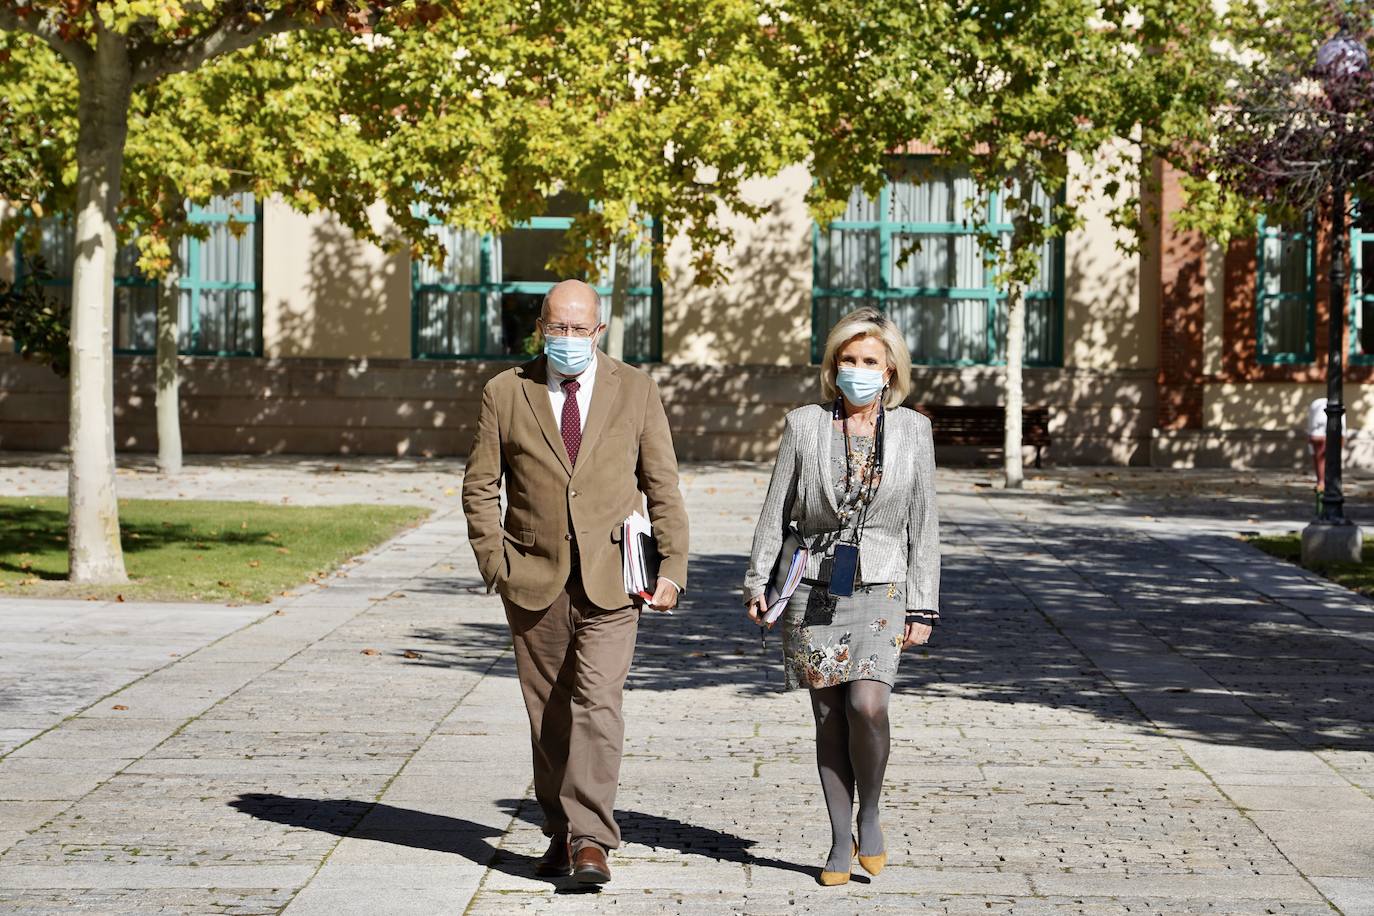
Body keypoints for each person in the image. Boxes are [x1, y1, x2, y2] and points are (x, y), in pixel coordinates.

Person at [462, 279, 689, 885]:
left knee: (598, 703)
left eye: (579, 328)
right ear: (542, 327)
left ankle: (592, 839)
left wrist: (673, 569)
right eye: (557, 328)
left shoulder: (635, 389)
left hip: (616, 578)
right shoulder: (506, 392)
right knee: (549, 714)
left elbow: (662, 484)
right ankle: (560, 831)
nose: (568, 339)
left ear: (600, 330)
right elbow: (481, 485)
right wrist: (496, 563)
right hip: (532, 577)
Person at [743, 306, 940, 886]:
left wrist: (923, 605)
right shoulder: (804, 425)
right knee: (830, 717)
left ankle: (870, 814)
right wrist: (759, 582)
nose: (858, 370)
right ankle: (836, 837)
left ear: (890, 370)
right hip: (811, 584)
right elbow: (776, 509)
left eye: (869, 361)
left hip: (882, 583)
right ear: (833, 367)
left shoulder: (912, 431)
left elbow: (924, 524)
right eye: (847, 360)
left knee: (868, 706)